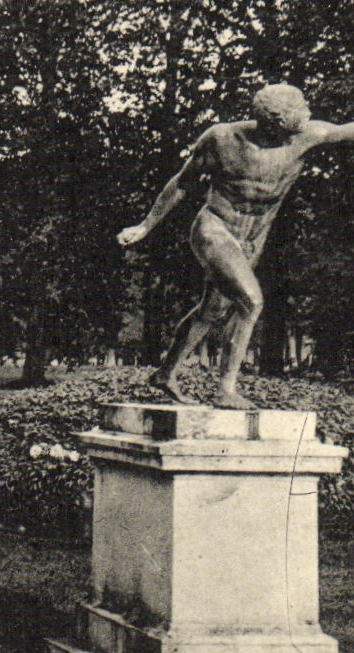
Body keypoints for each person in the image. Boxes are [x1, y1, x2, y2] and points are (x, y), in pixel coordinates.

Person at [119, 84, 354, 409]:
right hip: (214, 229)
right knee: (251, 301)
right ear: (276, 119)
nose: (309, 110)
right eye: (300, 107)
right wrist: (145, 225)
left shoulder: (307, 136)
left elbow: (345, 132)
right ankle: (225, 389)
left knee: (211, 310)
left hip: (251, 239)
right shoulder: (222, 139)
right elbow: (182, 183)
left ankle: (165, 373)